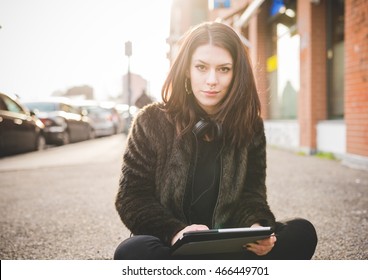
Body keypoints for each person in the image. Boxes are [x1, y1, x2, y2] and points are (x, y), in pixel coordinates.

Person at [114, 21, 317, 260]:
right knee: (131, 252)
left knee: (301, 232)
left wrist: (256, 227)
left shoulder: (250, 126)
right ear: (187, 70)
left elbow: (252, 194)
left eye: (223, 69)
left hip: (230, 245)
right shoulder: (150, 121)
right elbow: (131, 198)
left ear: (236, 73)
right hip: (172, 245)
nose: (212, 80)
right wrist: (176, 231)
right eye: (201, 67)